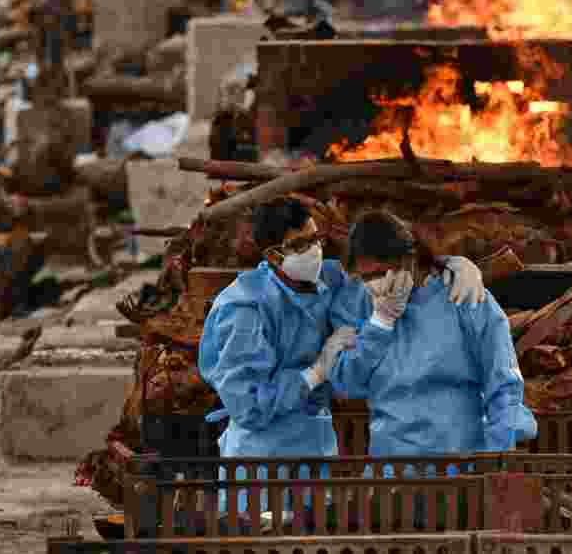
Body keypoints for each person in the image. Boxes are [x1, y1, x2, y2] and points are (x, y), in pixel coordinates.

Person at [197, 199, 487, 514]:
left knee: (317, 538)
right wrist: (317, 371)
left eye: (314, 238)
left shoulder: (329, 278)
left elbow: (385, 265)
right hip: (261, 459)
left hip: (316, 444)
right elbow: (248, 406)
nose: (313, 250)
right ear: (272, 255)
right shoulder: (243, 309)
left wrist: (453, 266)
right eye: (299, 245)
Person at [326, 210, 537, 468]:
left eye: (382, 272)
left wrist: (497, 455)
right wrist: (379, 324)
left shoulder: (463, 295)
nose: (375, 284)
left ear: (409, 260)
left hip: (463, 465)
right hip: (392, 470)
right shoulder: (357, 303)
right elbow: (346, 385)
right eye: (366, 277)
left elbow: (502, 381)